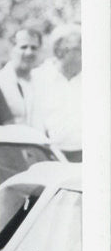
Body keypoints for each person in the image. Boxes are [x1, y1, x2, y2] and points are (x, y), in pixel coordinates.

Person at [31, 24, 82, 161]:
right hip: (50, 155)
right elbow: (34, 123)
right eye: (79, 48)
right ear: (60, 51)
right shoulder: (38, 78)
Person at [0, 27, 44, 128]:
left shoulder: (44, 80)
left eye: (34, 48)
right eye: (23, 47)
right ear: (11, 49)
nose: (29, 52)